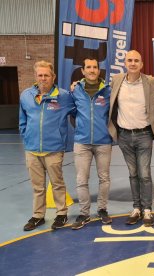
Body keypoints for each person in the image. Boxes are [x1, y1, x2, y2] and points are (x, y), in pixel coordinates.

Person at [108, 50, 154, 227]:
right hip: (124, 135)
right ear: (125, 63)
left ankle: (147, 209)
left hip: (144, 135)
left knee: (144, 174)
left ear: (141, 64)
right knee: (133, 174)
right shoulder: (116, 80)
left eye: (136, 61)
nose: (133, 63)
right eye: (130, 60)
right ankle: (136, 208)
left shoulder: (150, 82)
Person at [19, 60, 75, 231]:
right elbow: (23, 120)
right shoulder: (26, 95)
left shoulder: (64, 96)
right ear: (35, 76)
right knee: (37, 186)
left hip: (54, 149)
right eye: (40, 75)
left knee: (57, 183)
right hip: (32, 149)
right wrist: (27, 138)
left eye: (46, 75)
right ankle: (38, 216)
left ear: (53, 77)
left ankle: (61, 213)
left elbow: (79, 112)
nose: (43, 78)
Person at [70, 57, 113, 230]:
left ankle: (102, 209)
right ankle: (84, 213)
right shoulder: (75, 91)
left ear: (99, 70)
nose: (92, 70)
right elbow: (72, 111)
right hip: (82, 142)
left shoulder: (108, 90)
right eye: (88, 67)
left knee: (104, 178)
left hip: (103, 142)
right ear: (83, 70)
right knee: (81, 179)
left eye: (95, 67)